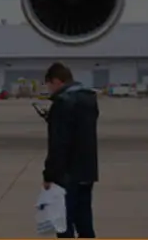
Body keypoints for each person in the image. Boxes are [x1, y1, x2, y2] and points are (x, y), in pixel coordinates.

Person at [41, 62, 99, 238]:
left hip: (67, 174)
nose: (49, 89)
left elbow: (59, 144)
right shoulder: (89, 100)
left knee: (63, 224)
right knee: (84, 222)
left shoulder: (63, 103)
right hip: (87, 171)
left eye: (49, 85)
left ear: (57, 81)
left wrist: (49, 175)